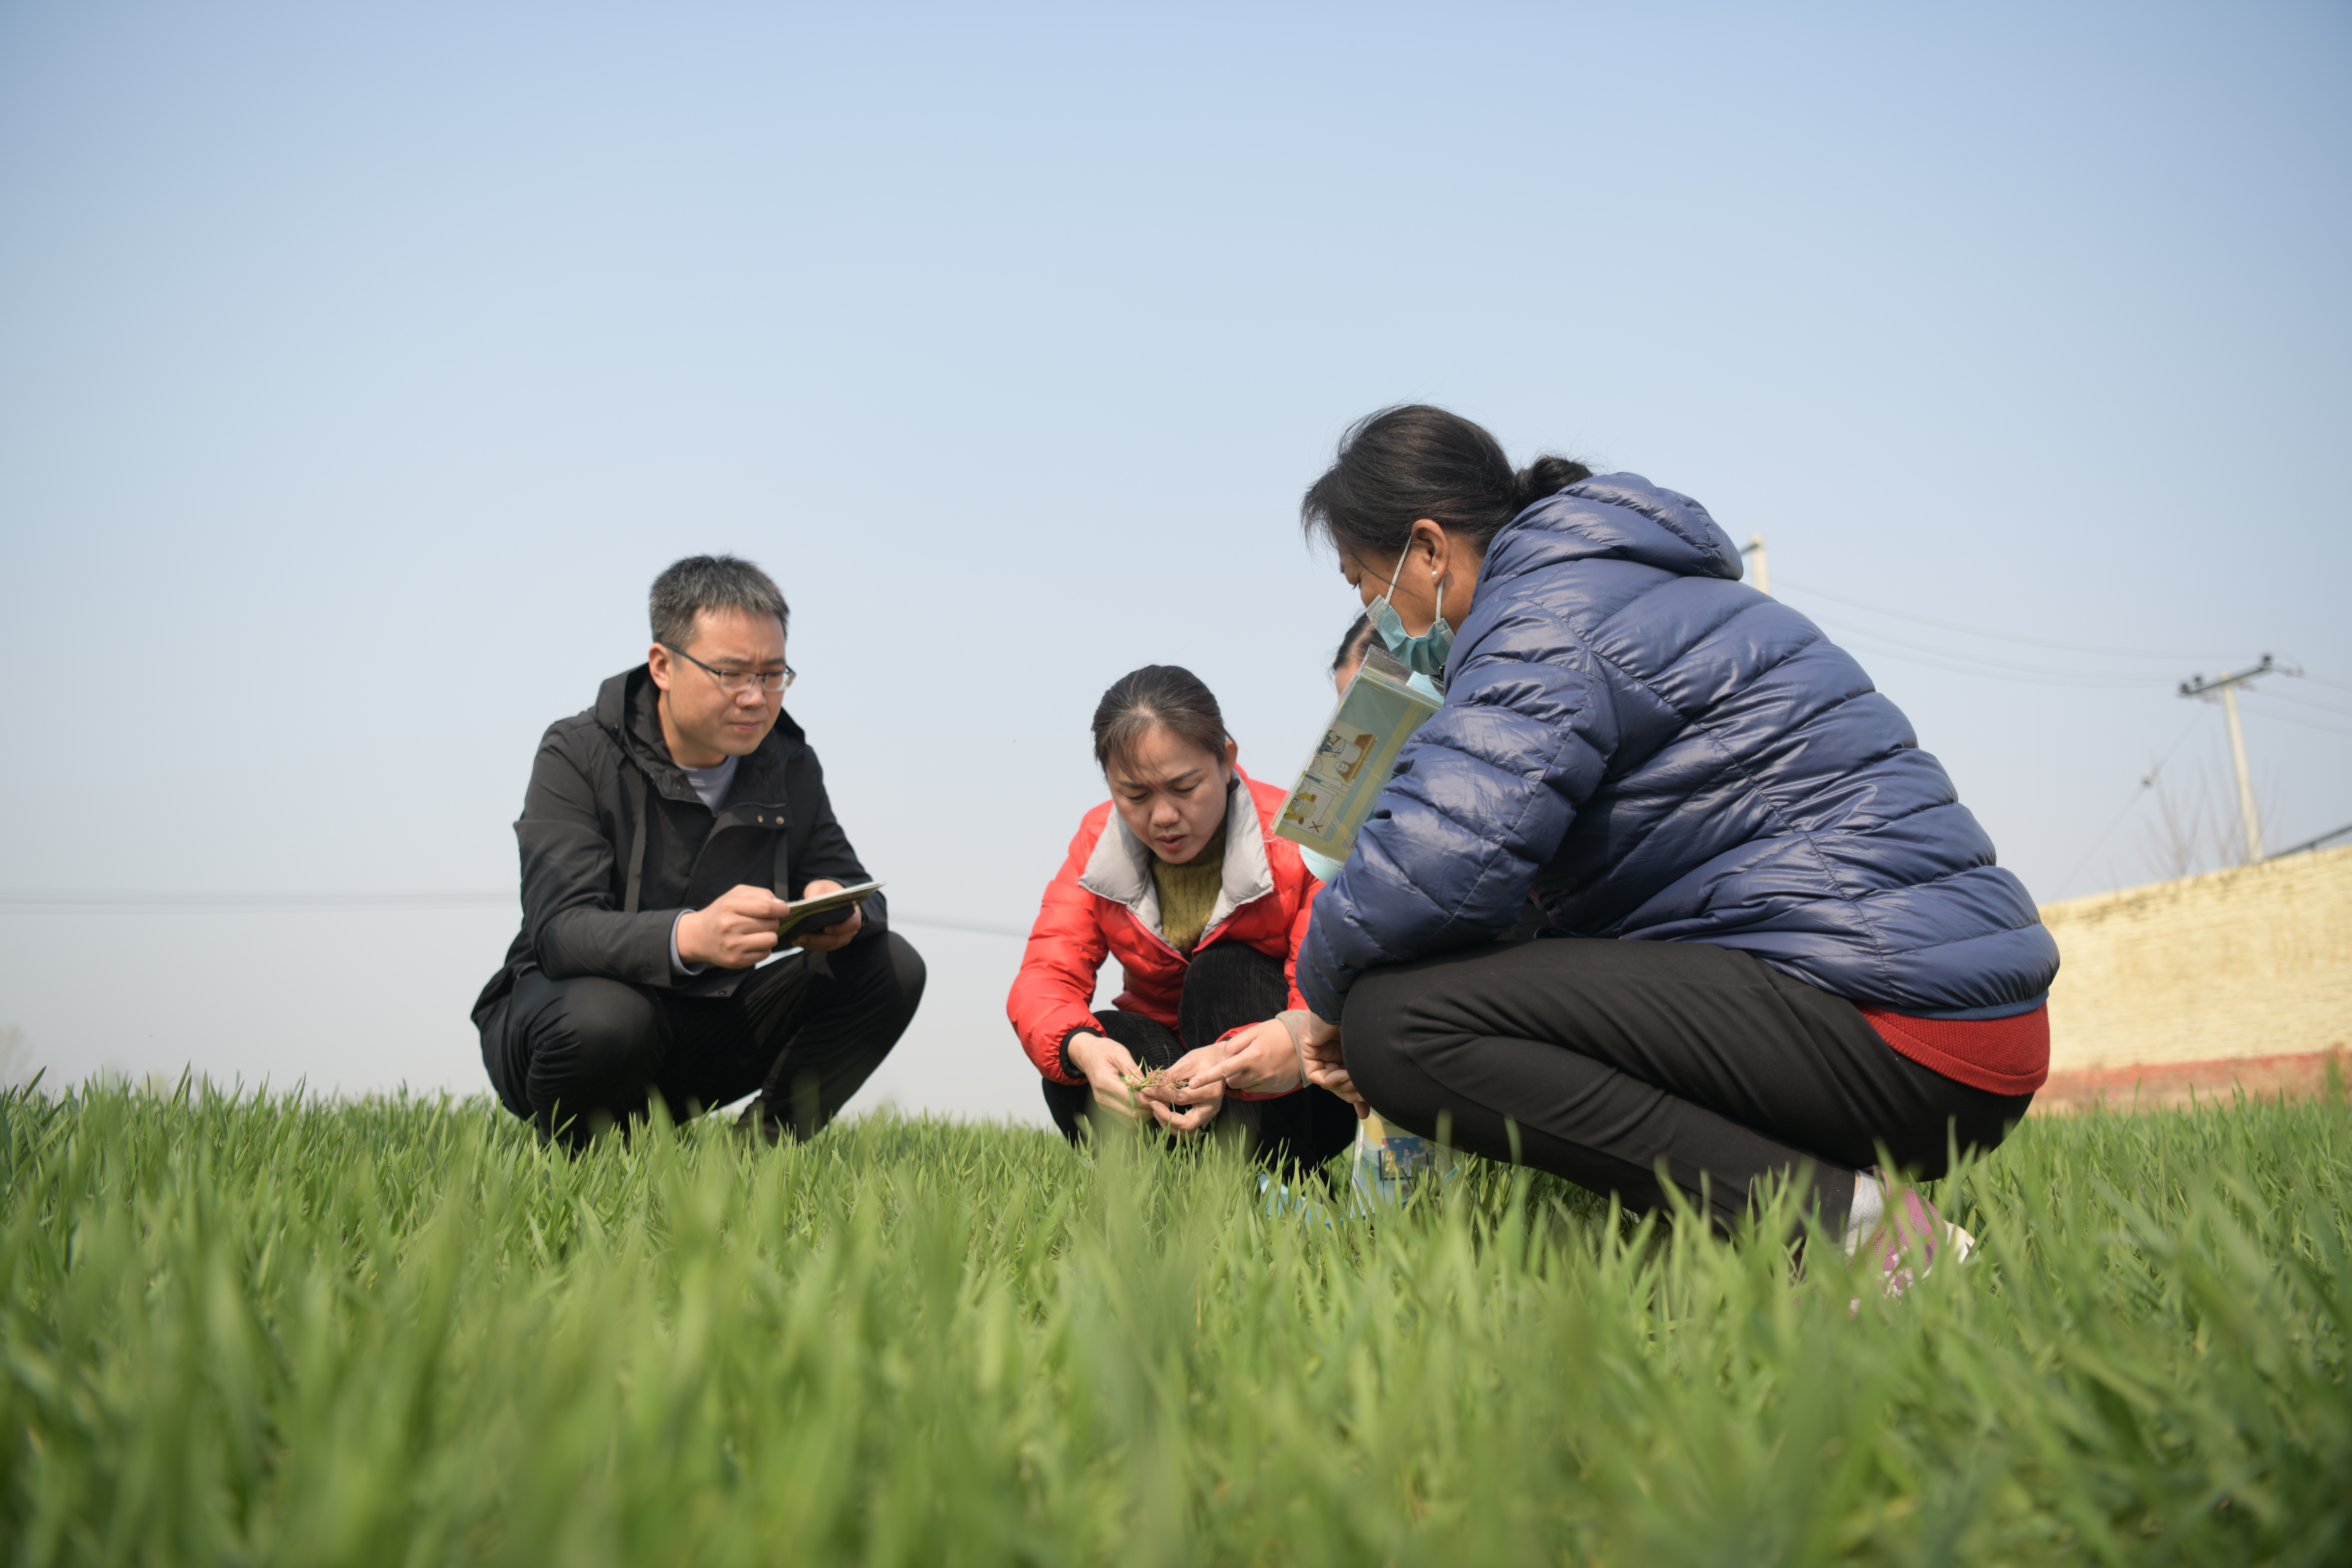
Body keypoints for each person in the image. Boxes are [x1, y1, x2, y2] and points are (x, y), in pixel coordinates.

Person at [1153, 405, 2059, 1278]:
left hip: (1903, 1025)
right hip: (1943, 1015)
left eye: (1366, 584)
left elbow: (1430, 867)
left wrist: (1317, 1007)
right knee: (1443, 992)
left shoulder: (1540, 620)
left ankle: (1857, 1235)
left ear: (1428, 550)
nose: (1382, 621)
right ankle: (1765, 1220)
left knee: (1399, 1026)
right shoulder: (1612, 583)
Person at [473, 554, 924, 1147]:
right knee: (611, 1019)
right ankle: (574, 1163)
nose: (756, 698)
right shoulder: (578, 752)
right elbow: (559, 931)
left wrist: (838, 904)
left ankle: (759, 1158)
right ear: (663, 665)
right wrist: (691, 936)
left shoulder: (789, 764)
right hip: (566, 1022)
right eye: (731, 674)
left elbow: (859, 888)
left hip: (705, 1024)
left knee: (892, 966)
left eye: (773, 675)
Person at [1007, 665, 1359, 1171]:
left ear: (1227, 760)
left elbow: (1324, 993)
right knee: (1078, 1053)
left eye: (1184, 788)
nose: (1164, 817)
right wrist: (1083, 1049)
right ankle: (1174, 1195)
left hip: (1289, 1079)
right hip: (1171, 1067)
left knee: (1222, 973)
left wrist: (1248, 1055)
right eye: (1135, 796)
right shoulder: (1095, 844)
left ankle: (1280, 1183)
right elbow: (1046, 976)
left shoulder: (1299, 838)